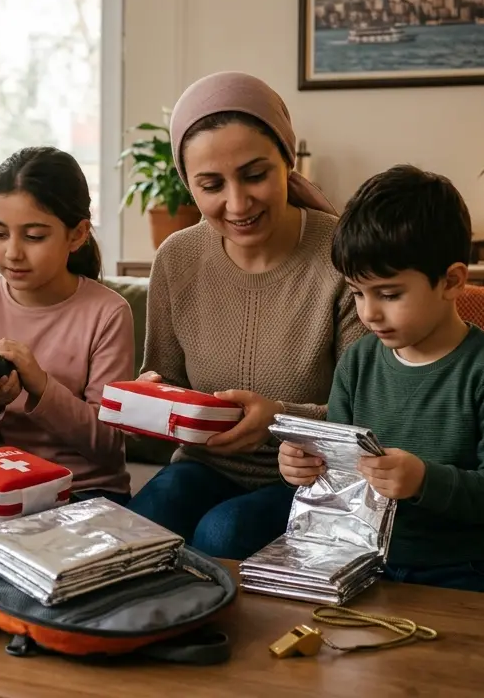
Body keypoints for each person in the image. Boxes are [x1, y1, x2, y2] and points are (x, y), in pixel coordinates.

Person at [126, 72, 367, 560]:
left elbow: (368, 415)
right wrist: (148, 399)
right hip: (203, 467)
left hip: (310, 475)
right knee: (142, 527)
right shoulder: (177, 257)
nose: (237, 204)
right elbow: (167, 381)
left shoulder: (342, 255)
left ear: (288, 160)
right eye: (211, 184)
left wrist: (281, 418)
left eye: (255, 175)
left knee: (224, 534)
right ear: (188, 185)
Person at [278, 165, 484, 596]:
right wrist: (306, 466)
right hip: (365, 557)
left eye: (389, 294)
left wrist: (424, 481)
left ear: (451, 281)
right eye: (358, 293)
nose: (369, 313)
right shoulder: (358, 361)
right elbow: (341, 472)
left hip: (469, 570)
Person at [0, 147, 134, 505]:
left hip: (86, 494)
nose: (13, 253)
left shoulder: (108, 313)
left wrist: (41, 386)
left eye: (33, 236)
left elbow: (109, 445)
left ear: (77, 235)